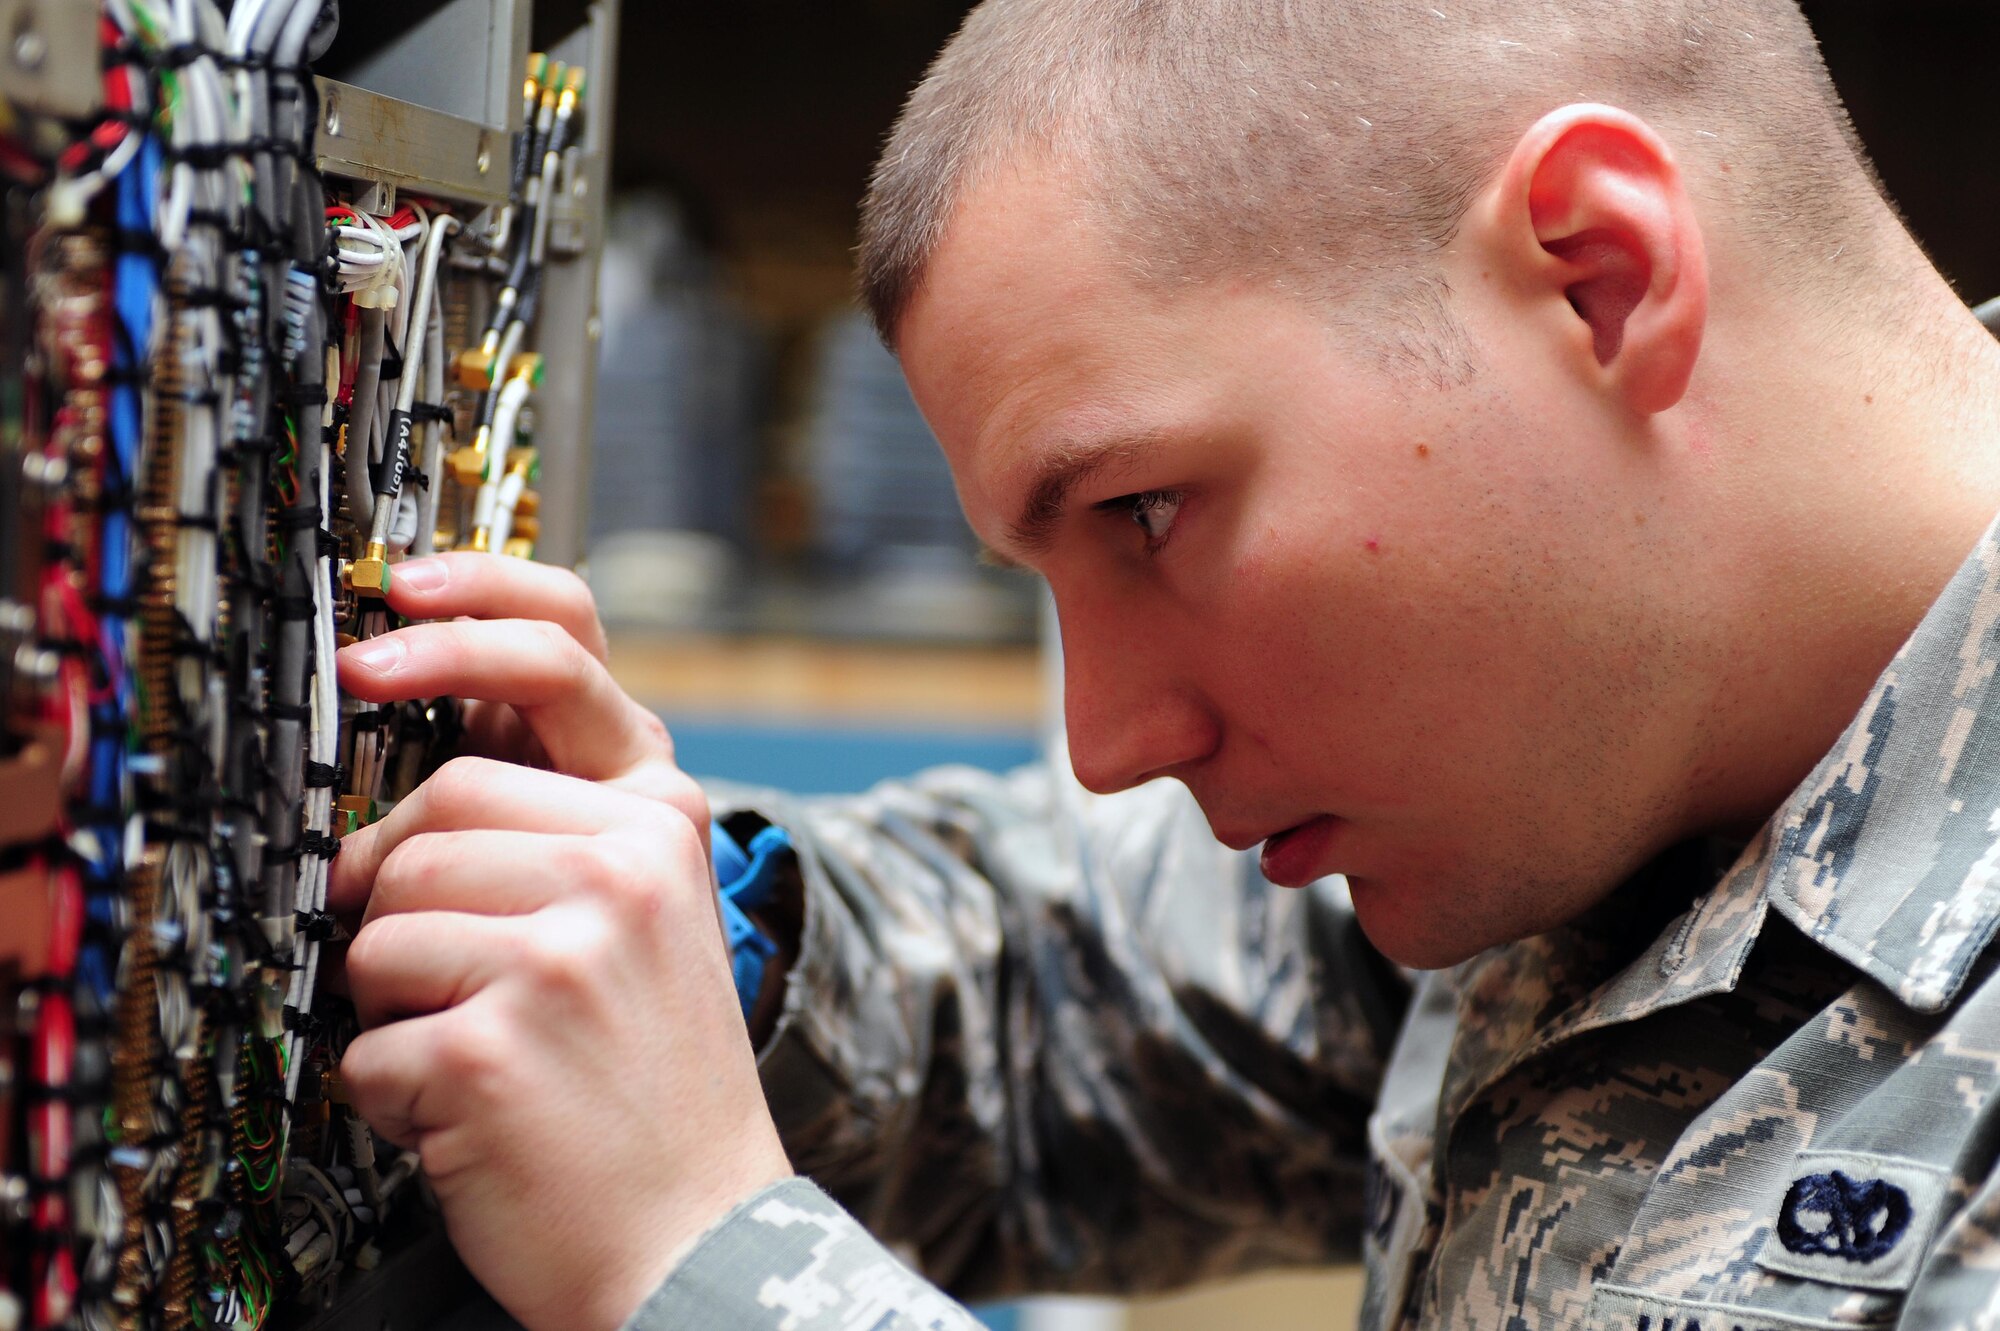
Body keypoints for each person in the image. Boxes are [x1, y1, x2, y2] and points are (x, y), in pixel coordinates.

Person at [327, 0, 2000, 1327]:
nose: (1106, 735)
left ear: (1598, 280)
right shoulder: (1597, 771)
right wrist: (667, 932)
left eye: (1141, 511)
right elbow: (1054, 996)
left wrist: (702, 1268)